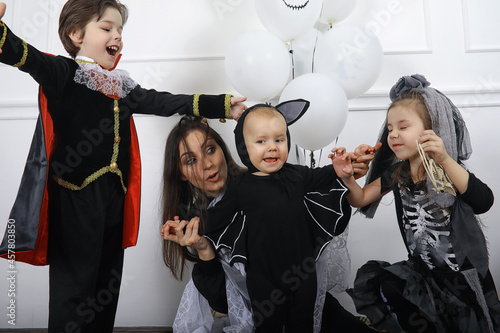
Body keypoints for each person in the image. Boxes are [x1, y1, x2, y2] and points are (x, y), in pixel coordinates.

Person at [0, 1, 246, 331]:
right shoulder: (64, 74)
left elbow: (166, 102)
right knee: (75, 288)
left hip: (114, 200)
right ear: (76, 34)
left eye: (120, 30)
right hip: (75, 200)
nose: (117, 35)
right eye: (107, 28)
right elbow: (23, 55)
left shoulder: (122, 87)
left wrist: (222, 105)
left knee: (107, 285)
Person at [161, 115, 380, 332]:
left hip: (304, 291)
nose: (207, 164)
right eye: (191, 160)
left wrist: (347, 171)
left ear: (224, 149)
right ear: (180, 173)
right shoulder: (199, 221)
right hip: (260, 305)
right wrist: (203, 248)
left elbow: (326, 181)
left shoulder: (279, 176)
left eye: (210, 150)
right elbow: (221, 303)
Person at [330, 74, 500, 333]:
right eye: (389, 129)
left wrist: (444, 159)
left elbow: (484, 201)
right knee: (390, 284)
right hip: (423, 273)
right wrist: (348, 177)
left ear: (431, 129)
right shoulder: (397, 173)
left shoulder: (450, 171)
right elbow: (360, 198)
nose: (394, 135)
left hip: (461, 278)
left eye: (403, 127)